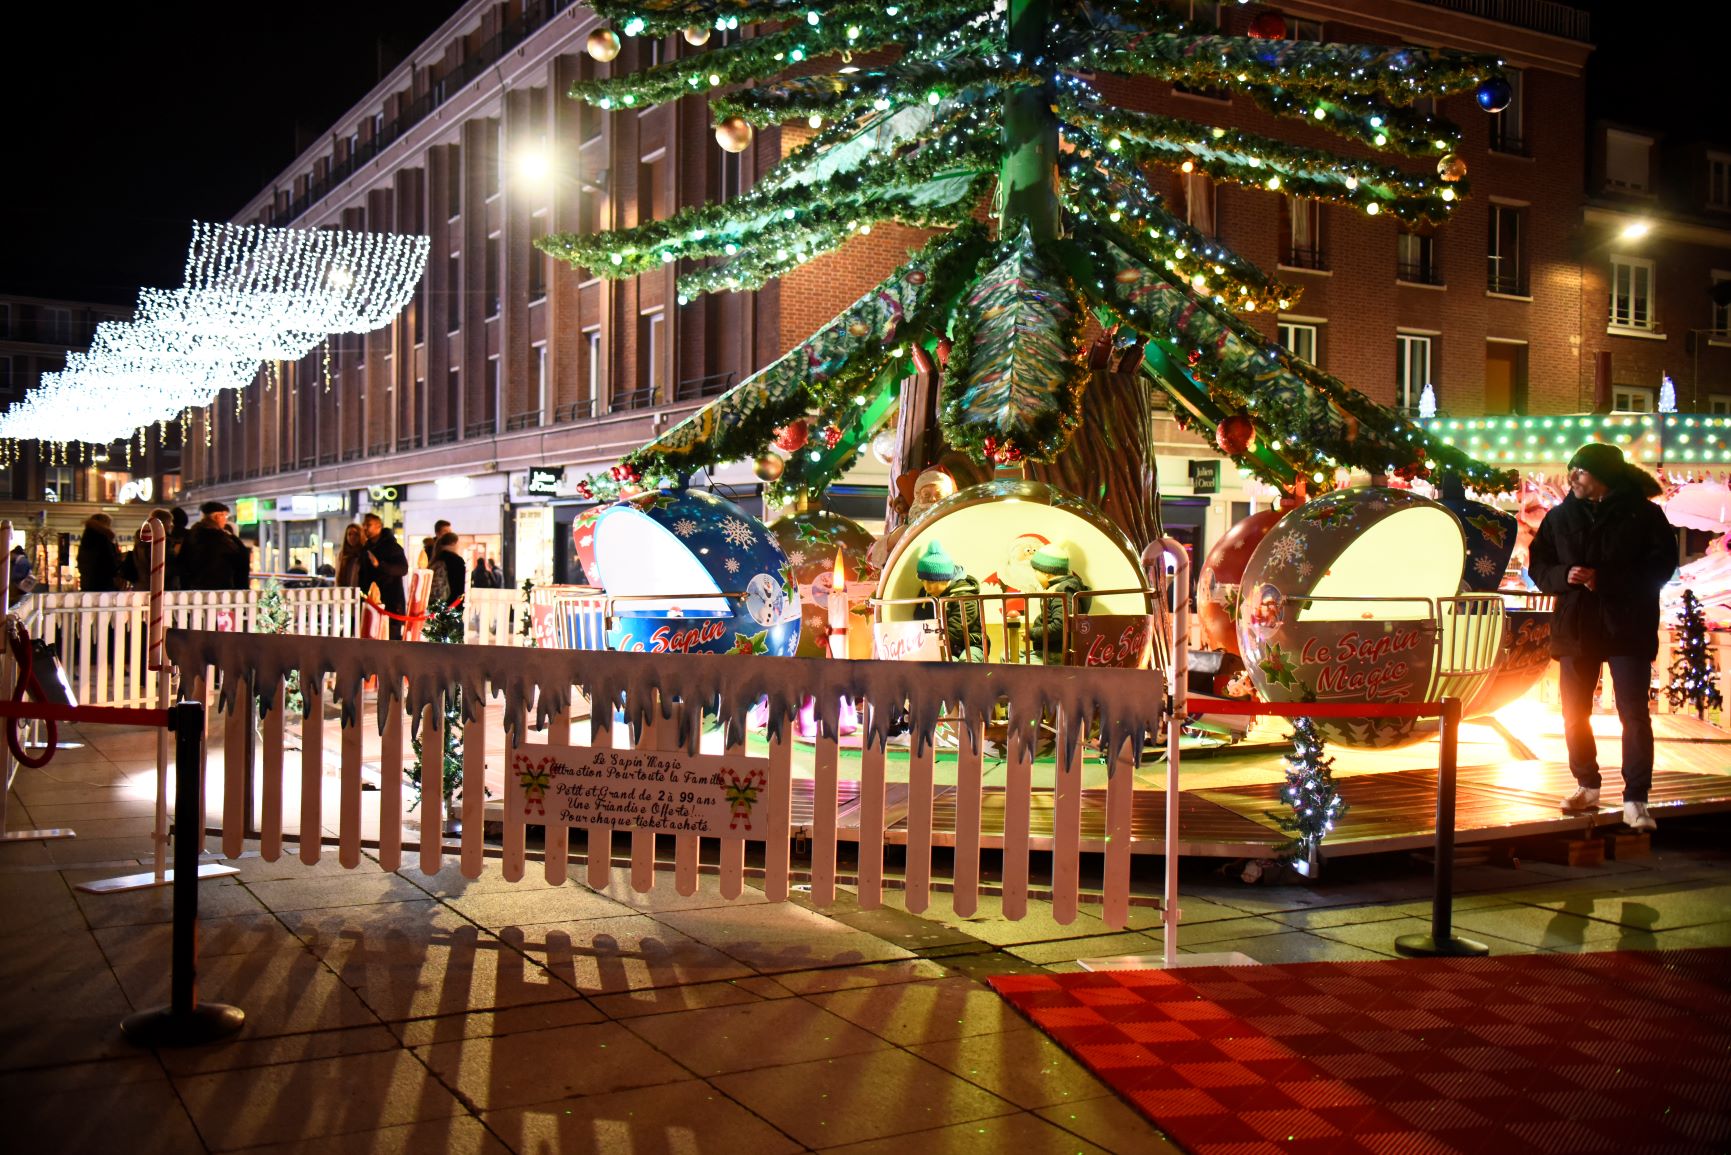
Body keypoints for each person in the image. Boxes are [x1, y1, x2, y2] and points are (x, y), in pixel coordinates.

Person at [1529, 443, 1676, 834]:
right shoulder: (1559, 517)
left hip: (1626, 625)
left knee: (1633, 713)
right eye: (1571, 470)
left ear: (1602, 477)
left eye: (1580, 471)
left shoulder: (1644, 515)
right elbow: (1539, 565)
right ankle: (1586, 784)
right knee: (1574, 712)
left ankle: (1636, 799)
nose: (1572, 478)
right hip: (1576, 626)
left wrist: (1605, 580)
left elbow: (1661, 566)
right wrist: (1564, 575)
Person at [911, 540, 983, 661]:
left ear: (946, 579)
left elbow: (955, 631)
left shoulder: (965, 597)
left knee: (965, 664)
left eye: (932, 581)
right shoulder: (926, 594)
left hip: (971, 643)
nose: (926, 587)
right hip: (941, 644)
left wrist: (926, 640)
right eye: (923, 580)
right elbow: (919, 620)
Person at [1027, 542, 1091, 662]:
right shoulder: (1060, 589)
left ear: (1046, 572)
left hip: (1055, 654)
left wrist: (1032, 634)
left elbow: (1061, 626)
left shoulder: (1061, 591)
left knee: (1012, 662)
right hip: (1051, 651)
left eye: (1036, 571)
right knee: (1007, 655)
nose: (1035, 575)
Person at [358, 512, 410, 639]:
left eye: (368, 525)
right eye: (364, 524)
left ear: (378, 526)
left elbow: (403, 569)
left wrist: (380, 565)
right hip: (370, 602)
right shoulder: (367, 547)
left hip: (390, 602)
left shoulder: (392, 547)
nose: (365, 528)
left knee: (390, 640)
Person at [178, 502, 250, 590]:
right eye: (225, 516)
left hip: (194, 588)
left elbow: (182, 562)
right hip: (219, 588)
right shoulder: (219, 538)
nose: (226, 520)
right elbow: (240, 557)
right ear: (217, 516)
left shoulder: (191, 535)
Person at [76, 513, 125, 592]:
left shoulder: (87, 538)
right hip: (103, 583)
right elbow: (109, 562)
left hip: (88, 582)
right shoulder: (103, 538)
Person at [428, 531, 466, 607]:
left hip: (435, 606)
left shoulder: (435, 559)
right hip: (452, 605)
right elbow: (461, 586)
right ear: (453, 543)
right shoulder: (457, 561)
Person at [335, 523, 366, 588]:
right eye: (349, 534)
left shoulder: (365, 554)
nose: (352, 537)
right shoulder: (342, 555)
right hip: (345, 593)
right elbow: (338, 577)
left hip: (361, 592)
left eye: (356, 534)